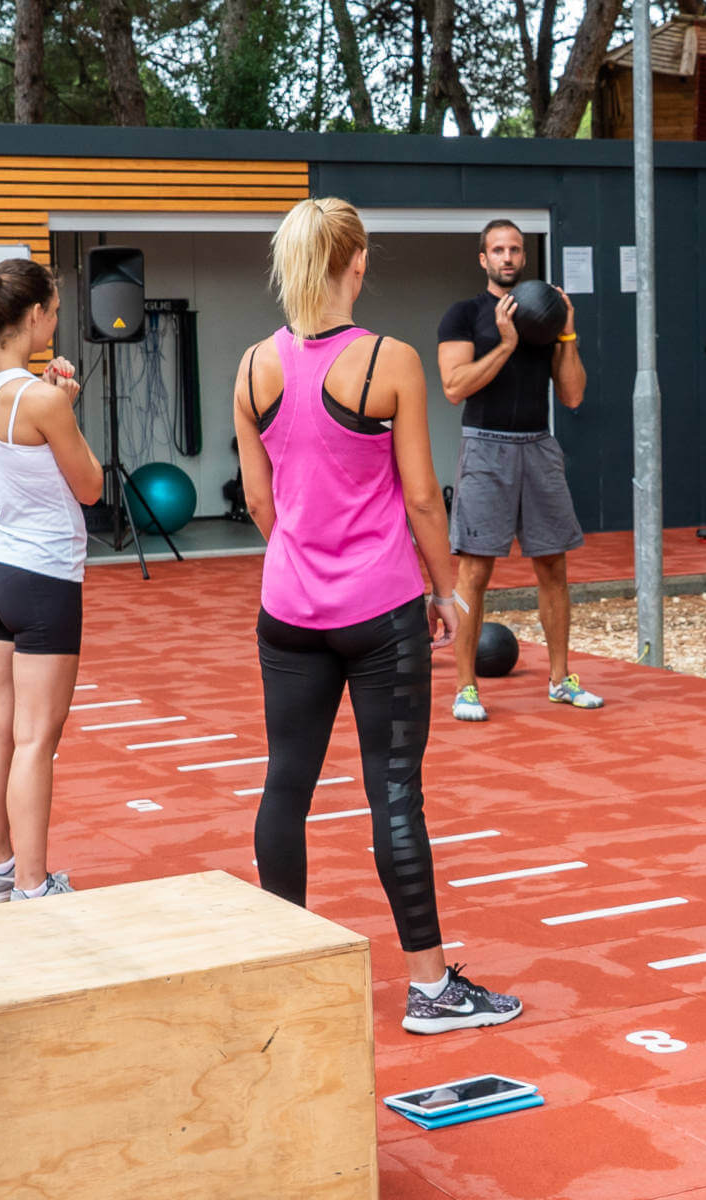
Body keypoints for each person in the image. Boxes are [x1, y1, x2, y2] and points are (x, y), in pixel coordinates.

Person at [235, 197, 522, 1034]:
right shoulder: (388, 360)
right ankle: (431, 989)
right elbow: (425, 498)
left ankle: (280, 969)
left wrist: (302, 551)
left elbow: (259, 500)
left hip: (287, 609)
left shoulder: (253, 364)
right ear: (356, 263)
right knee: (394, 792)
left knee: (285, 784)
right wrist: (446, 590)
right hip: (380, 610)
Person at [0, 260, 103, 903]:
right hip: (41, 576)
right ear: (34, 315)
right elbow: (91, 486)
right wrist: (64, 405)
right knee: (37, 740)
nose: (58, 318)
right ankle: (34, 883)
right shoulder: (40, 399)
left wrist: (55, 404)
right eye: (56, 309)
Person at [437, 219, 599, 722]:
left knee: (553, 567)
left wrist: (566, 329)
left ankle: (559, 681)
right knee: (476, 571)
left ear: (523, 258)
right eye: (497, 250)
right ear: (483, 260)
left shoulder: (545, 318)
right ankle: (466, 689)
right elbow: (454, 386)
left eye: (515, 250)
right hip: (485, 448)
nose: (507, 257)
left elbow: (572, 395)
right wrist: (506, 344)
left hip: (538, 446)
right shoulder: (464, 315)